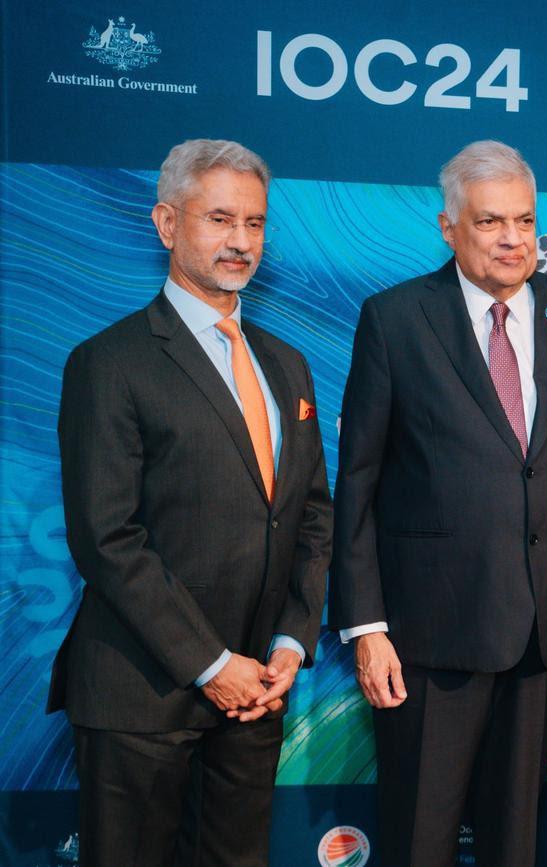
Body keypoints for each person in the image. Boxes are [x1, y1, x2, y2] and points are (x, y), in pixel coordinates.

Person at [329, 139, 547, 867]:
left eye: (524, 219)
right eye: (491, 221)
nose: (514, 239)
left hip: (542, 633)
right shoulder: (394, 319)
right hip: (429, 638)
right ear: (447, 226)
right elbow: (357, 482)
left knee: (514, 841)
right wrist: (366, 626)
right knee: (420, 839)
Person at [51, 138, 334, 866]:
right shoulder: (108, 362)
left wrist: (290, 642)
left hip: (257, 698)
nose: (241, 241)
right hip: (141, 694)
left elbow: (309, 514)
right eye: (219, 219)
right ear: (167, 223)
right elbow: (107, 536)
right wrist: (211, 662)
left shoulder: (287, 363)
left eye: (255, 222)